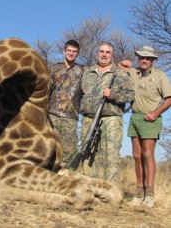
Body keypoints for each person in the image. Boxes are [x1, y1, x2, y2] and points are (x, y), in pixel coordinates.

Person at [119, 46, 171, 208]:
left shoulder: (159, 75)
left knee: (148, 154)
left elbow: (169, 99)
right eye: (142, 57)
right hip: (134, 117)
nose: (144, 60)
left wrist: (155, 113)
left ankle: (150, 194)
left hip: (150, 118)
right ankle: (139, 192)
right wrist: (121, 62)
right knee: (136, 154)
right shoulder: (133, 72)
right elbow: (115, 67)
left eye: (148, 58)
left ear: (153, 60)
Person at [80, 42, 135, 182]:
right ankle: (90, 189)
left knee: (111, 154)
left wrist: (113, 95)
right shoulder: (87, 72)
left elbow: (130, 95)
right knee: (87, 153)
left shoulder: (120, 73)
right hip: (88, 119)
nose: (104, 55)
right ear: (97, 53)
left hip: (111, 119)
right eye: (101, 51)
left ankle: (111, 191)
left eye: (107, 52)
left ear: (112, 55)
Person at [48, 40, 84, 167]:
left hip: (71, 118)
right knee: (49, 150)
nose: (71, 53)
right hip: (52, 116)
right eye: (69, 50)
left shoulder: (82, 71)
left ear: (77, 54)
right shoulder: (53, 68)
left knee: (68, 152)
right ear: (64, 51)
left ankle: (63, 180)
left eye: (74, 51)